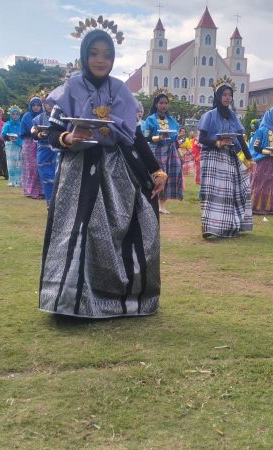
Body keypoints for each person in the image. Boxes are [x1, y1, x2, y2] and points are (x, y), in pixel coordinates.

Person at [39, 29, 165, 318]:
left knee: (129, 227)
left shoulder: (121, 91)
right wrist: (69, 139)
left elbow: (134, 136)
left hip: (119, 169)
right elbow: (54, 132)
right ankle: (74, 301)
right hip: (80, 171)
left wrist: (156, 169)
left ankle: (123, 298)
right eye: (94, 53)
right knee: (83, 232)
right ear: (84, 55)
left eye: (107, 54)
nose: (100, 60)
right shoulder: (70, 88)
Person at [198, 84, 253, 237]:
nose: (228, 98)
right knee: (212, 193)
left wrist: (250, 158)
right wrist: (217, 142)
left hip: (228, 156)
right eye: (224, 95)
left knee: (230, 191)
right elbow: (201, 138)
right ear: (218, 96)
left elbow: (240, 138)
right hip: (211, 156)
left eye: (230, 95)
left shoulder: (233, 116)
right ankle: (209, 228)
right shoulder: (209, 115)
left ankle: (229, 225)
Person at [143, 93, 184, 214]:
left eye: (166, 103)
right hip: (156, 149)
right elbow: (146, 137)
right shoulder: (150, 119)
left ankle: (163, 205)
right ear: (156, 104)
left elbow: (175, 135)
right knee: (158, 175)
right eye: (161, 103)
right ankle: (152, 202)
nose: (164, 105)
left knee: (170, 174)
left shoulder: (172, 120)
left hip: (170, 150)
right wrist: (159, 137)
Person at [248, 107, 273, 214]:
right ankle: (255, 207)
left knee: (271, 183)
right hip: (262, 161)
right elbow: (255, 147)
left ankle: (269, 207)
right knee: (260, 182)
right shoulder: (261, 130)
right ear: (270, 117)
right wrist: (268, 152)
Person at [33, 91, 60, 206]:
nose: (49, 105)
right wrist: (40, 135)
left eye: (52, 102)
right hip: (43, 152)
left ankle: (58, 203)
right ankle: (50, 204)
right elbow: (33, 133)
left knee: (58, 178)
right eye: (47, 102)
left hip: (57, 152)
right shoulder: (38, 119)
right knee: (46, 177)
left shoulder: (61, 117)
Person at [20, 97, 44, 199]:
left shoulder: (44, 116)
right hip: (29, 143)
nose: (36, 107)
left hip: (41, 143)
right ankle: (30, 191)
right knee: (31, 167)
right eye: (34, 105)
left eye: (38, 105)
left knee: (40, 166)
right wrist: (34, 132)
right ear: (31, 106)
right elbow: (24, 131)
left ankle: (41, 191)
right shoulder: (26, 116)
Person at [2, 106, 23, 187]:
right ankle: (11, 181)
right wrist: (9, 137)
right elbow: (3, 135)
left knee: (19, 163)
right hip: (10, 146)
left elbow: (24, 135)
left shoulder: (21, 125)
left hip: (20, 146)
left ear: (19, 115)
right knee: (10, 164)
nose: (15, 116)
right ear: (11, 115)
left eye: (17, 114)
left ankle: (18, 181)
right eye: (13, 114)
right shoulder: (7, 124)